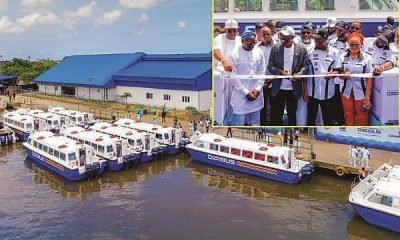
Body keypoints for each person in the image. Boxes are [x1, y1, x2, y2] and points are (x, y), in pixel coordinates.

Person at [268, 26, 309, 126]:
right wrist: (280, 72)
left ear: (292, 37)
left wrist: (298, 75)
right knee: (276, 114)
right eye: (282, 36)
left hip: (293, 89)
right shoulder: (275, 48)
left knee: (292, 114)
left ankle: (292, 134)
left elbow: (306, 66)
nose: (284, 39)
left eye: (286, 37)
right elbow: (270, 66)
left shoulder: (302, 49)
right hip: (278, 88)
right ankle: (276, 132)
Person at [303, 28, 341, 126]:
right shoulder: (308, 51)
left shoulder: (334, 52)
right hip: (312, 91)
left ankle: (328, 138)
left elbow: (338, 70)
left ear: (326, 39)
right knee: (311, 118)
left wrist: (332, 74)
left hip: (328, 92)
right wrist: (305, 90)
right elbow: (305, 72)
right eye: (315, 39)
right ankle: (309, 137)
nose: (316, 41)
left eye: (319, 39)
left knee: (328, 119)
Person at [229, 30, 266, 126]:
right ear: (242, 41)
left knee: (255, 124)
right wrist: (246, 92)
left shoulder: (259, 52)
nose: (252, 45)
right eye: (249, 43)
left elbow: (263, 72)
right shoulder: (234, 54)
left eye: (254, 42)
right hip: (241, 96)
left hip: (256, 95)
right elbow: (234, 77)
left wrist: (258, 89)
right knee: (239, 125)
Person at [339, 32, 373, 126]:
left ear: (361, 45)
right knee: (348, 115)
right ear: (348, 44)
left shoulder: (367, 58)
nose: (354, 47)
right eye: (351, 44)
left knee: (362, 116)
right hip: (346, 92)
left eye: (357, 44)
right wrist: (343, 74)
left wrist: (367, 97)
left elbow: (370, 78)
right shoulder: (342, 57)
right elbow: (337, 72)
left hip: (361, 92)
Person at [214, 19, 242, 125]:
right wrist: (223, 61)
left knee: (236, 99)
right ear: (225, 30)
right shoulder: (219, 38)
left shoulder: (240, 39)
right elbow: (215, 51)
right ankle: (224, 121)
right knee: (224, 100)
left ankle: (234, 121)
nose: (232, 33)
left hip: (237, 73)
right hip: (222, 73)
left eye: (234, 31)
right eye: (229, 31)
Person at [329, 21, 350, 126]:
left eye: (340, 29)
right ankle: (338, 121)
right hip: (334, 78)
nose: (338, 31)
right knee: (335, 102)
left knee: (345, 104)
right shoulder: (332, 42)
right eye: (337, 29)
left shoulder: (352, 42)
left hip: (347, 78)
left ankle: (345, 122)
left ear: (346, 30)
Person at [258, 26, 274, 125]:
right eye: (264, 34)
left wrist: (271, 78)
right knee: (262, 106)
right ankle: (262, 124)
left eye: (268, 34)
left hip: (274, 81)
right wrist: (263, 79)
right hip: (261, 82)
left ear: (271, 33)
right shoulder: (257, 48)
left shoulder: (277, 46)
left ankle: (273, 125)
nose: (266, 36)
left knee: (274, 106)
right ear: (260, 35)